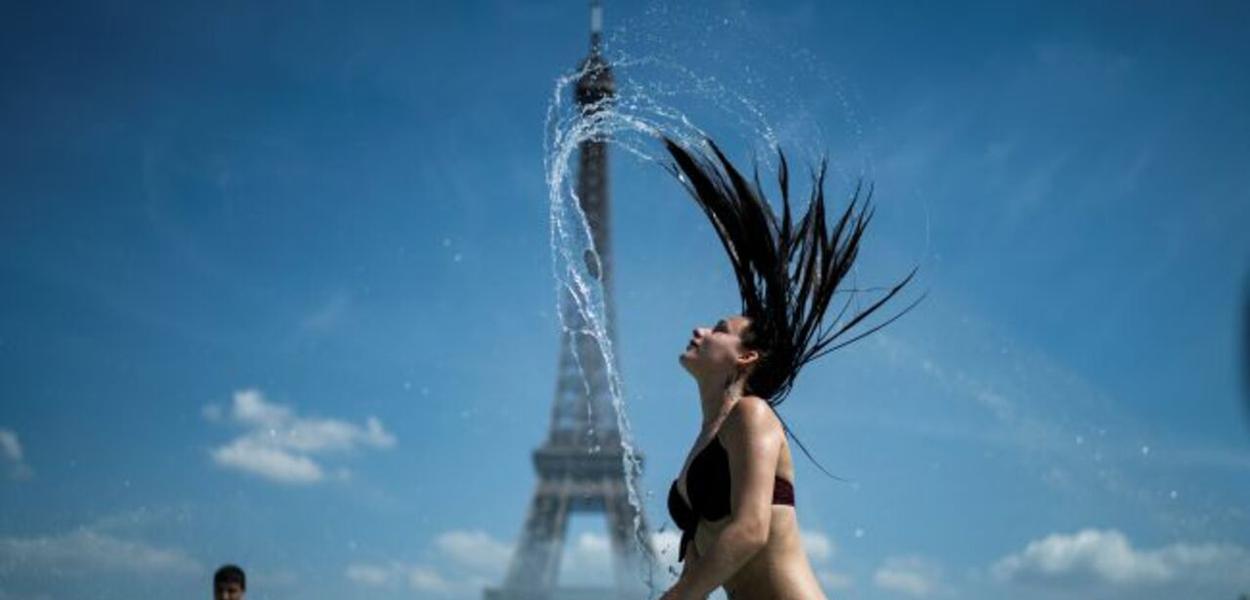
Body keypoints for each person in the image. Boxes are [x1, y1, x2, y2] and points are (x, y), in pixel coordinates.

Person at [658, 136, 921, 600]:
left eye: (719, 328)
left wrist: (677, 598)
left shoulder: (752, 414)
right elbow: (705, 555)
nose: (700, 330)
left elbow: (752, 529)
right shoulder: (705, 439)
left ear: (746, 357)